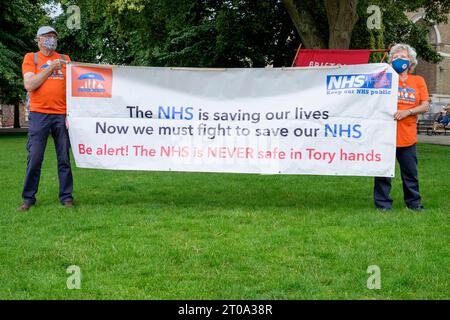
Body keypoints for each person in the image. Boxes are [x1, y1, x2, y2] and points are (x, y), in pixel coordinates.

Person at [18, 26, 74, 211]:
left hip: (61, 115)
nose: (52, 40)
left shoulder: (65, 59)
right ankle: (28, 199)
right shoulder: (31, 58)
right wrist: (50, 68)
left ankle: (66, 197)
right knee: (34, 157)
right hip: (38, 114)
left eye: (54, 37)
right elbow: (29, 84)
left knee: (64, 158)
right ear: (39, 40)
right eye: (47, 37)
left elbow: (75, 86)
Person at [374, 43, 430, 212]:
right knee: (383, 173)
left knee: (410, 174)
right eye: (395, 57)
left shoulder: (418, 81)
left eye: (403, 57)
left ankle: (414, 204)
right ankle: (383, 205)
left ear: (411, 61)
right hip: (385, 135)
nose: (399, 60)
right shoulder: (383, 78)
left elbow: (425, 105)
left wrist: (408, 112)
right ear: (390, 61)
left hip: (407, 137)